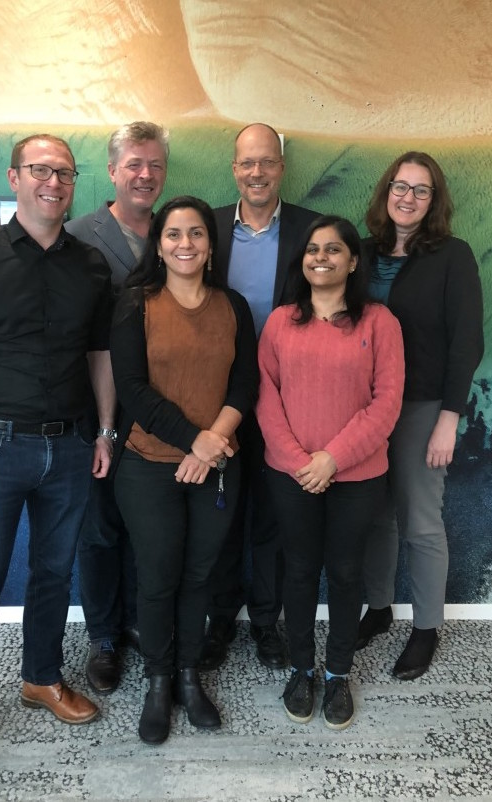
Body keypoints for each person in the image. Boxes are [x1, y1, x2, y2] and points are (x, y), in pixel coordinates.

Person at [0, 134, 114, 798]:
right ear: (15, 176)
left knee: (52, 577)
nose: (53, 182)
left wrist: (105, 431)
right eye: (40, 170)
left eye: (64, 172)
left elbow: (99, 355)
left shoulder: (90, 267)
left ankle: (40, 678)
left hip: (68, 448)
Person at [110, 196, 258, 744]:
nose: (185, 244)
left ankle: (190, 677)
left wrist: (211, 443)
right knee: (157, 579)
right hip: (148, 465)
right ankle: (158, 681)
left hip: (218, 465)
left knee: (201, 576)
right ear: (159, 244)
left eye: (196, 234)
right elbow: (132, 390)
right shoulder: (135, 304)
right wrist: (194, 441)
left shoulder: (233, 306)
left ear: (210, 244)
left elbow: (245, 383)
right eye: (174, 234)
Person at [256, 215, 404, 730]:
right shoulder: (279, 322)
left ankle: (338, 672)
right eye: (313, 249)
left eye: (334, 249)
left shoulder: (379, 322)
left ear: (353, 261)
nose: (321, 257)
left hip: (358, 476)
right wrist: (302, 462)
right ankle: (301, 669)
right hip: (291, 474)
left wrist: (332, 459)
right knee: (298, 572)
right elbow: (266, 399)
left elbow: (386, 405)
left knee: (344, 574)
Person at [357, 152, 484, 680]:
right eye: (399, 186)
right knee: (375, 516)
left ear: (434, 201)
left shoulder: (452, 255)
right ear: (386, 191)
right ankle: (380, 608)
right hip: (364, 409)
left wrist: (450, 418)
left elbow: (467, 342)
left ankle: (427, 626)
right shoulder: (359, 253)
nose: (407, 197)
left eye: (421, 189)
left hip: (423, 406)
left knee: (421, 522)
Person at [200, 122, 319, 671]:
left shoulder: (309, 231)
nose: (257, 172)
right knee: (221, 514)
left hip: (285, 398)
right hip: (219, 396)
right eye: (247, 163)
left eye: (267, 162)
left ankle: (266, 624)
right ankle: (222, 617)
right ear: (233, 169)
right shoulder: (210, 230)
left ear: (281, 168)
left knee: (272, 515)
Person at [65, 121, 169, 694]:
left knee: (148, 526)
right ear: (111, 171)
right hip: (95, 409)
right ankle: (103, 635)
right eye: (134, 163)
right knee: (100, 526)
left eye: (154, 164)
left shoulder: (176, 233)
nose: (145, 174)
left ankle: (137, 623)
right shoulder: (79, 235)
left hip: (163, 409)